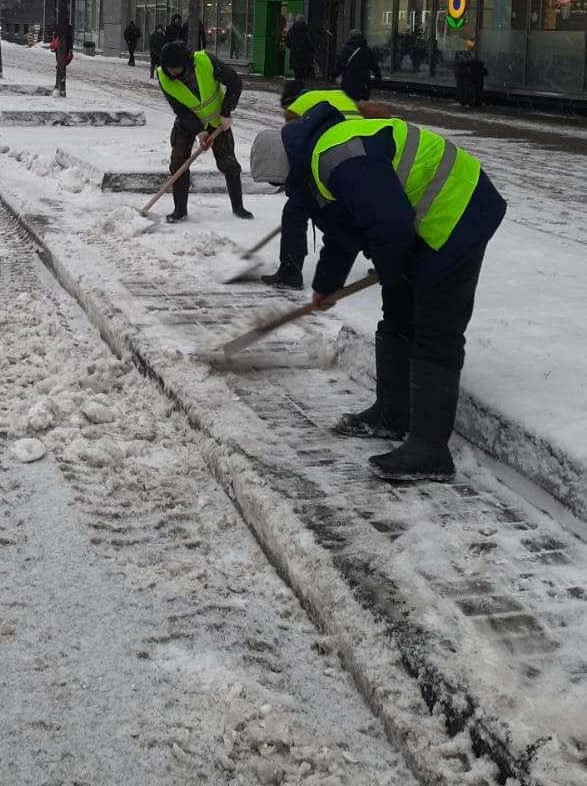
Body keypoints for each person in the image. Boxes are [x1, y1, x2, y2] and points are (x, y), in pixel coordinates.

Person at [252, 89, 506, 480]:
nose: (283, 191)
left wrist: (396, 274)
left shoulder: (336, 158)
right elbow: (343, 232)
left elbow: (388, 224)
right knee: (398, 312)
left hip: (459, 210)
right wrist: (326, 285)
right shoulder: (319, 156)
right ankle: (392, 413)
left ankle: (430, 451)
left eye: (278, 184)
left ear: (285, 167)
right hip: (424, 218)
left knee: (435, 329)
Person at [252, 81, 387, 290]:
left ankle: (290, 271)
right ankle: (386, 262)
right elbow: (377, 113)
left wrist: (297, 191)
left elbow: (296, 154)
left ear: (289, 102)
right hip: (361, 159)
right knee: (362, 214)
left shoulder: (296, 111)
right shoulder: (340, 96)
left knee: (295, 210)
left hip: (329, 161)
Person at [157, 40, 253, 224]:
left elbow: (234, 82)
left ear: (185, 63)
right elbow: (181, 110)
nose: (172, 73)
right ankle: (180, 210)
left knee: (229, 162)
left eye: (176, 68)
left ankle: (238, 207)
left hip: (218, 120)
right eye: (169, 69)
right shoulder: (164, 77)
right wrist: (199, 132)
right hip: (187, 121)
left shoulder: (205, 61)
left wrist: (226, 112)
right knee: (178, 161)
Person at [332, 28, 382, 102]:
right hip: (363, 83)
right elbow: (375, 66)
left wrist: (334, 74)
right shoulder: (367, 51)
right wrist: (378, 78)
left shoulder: (347, 50)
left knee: (350, 103)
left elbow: (341, 64)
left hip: (349, 83)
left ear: (351, 37)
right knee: (362, 106)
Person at [284, 15, 318, 82]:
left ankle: (298, 87)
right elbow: (311, 43)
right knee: (304, 75)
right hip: (305, 57)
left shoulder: (291, 31)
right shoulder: (308, 31)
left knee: (297, 75)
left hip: (295, 56)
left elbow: (287, 43)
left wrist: (294, 46)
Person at [455, 40, 487, 109]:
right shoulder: (468, 58)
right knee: (472, 89)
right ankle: (473, 101)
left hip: (469, 74)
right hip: (471, 74)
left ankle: (468, 101)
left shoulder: (467, 59)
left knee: (470, 88)